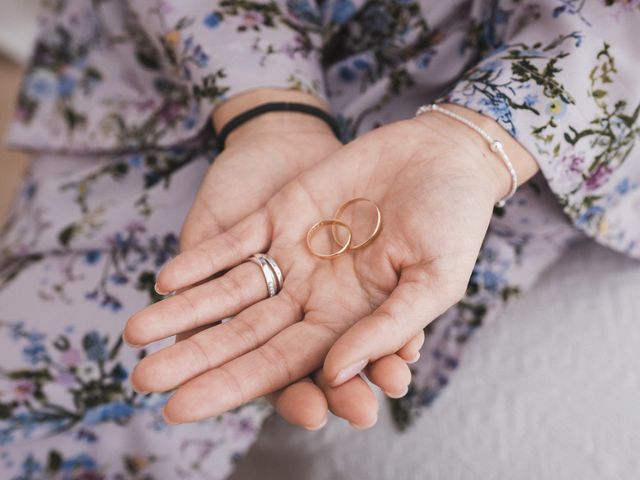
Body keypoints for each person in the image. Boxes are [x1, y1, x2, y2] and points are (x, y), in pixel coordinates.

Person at [1, 0, 638, 478]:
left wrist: (474, 145)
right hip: (202, 73)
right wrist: (269, 111)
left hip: (524, 122)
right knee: (69, 388)